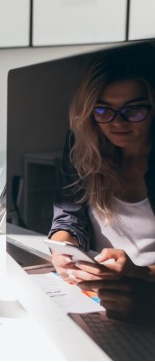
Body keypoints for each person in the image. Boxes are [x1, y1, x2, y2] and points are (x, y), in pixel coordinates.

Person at [48, 44, 155, 322]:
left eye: (134, 111)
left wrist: (140, 274)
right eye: (103, 110)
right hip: (97, 297)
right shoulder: (84, 146)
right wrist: (63, 250)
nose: (116, 123)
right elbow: (67, 218)